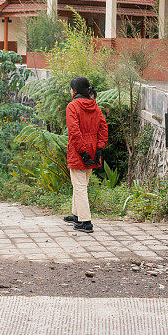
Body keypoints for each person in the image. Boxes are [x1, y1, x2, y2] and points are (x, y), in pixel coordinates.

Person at [64, 76, 108, 233]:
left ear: (75, 91)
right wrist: (99, 149)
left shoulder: (72, 107)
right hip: (93, 150)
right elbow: (103, 128)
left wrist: (82, 152)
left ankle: (85, 222)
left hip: (78, 151)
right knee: (81, 184)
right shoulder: (95, 106)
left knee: (80, 186)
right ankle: (76, 215)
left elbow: (74, 132)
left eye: (70, 88)